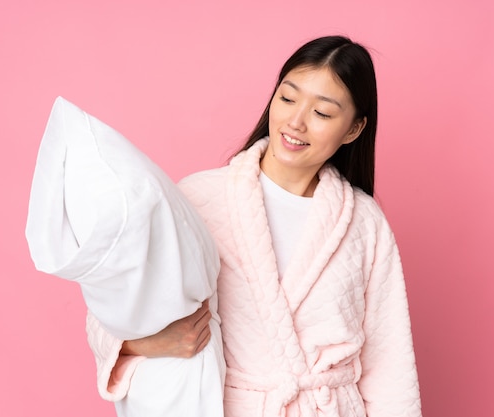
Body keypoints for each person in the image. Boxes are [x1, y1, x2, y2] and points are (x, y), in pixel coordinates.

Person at [86, 35, 422, 417]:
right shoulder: (200, 199)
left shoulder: (364, 223)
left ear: (353, 129)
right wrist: (144, 344)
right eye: (288, 98)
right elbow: (112, 312)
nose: (295, 122)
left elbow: (390, 366)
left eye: (323, 113)